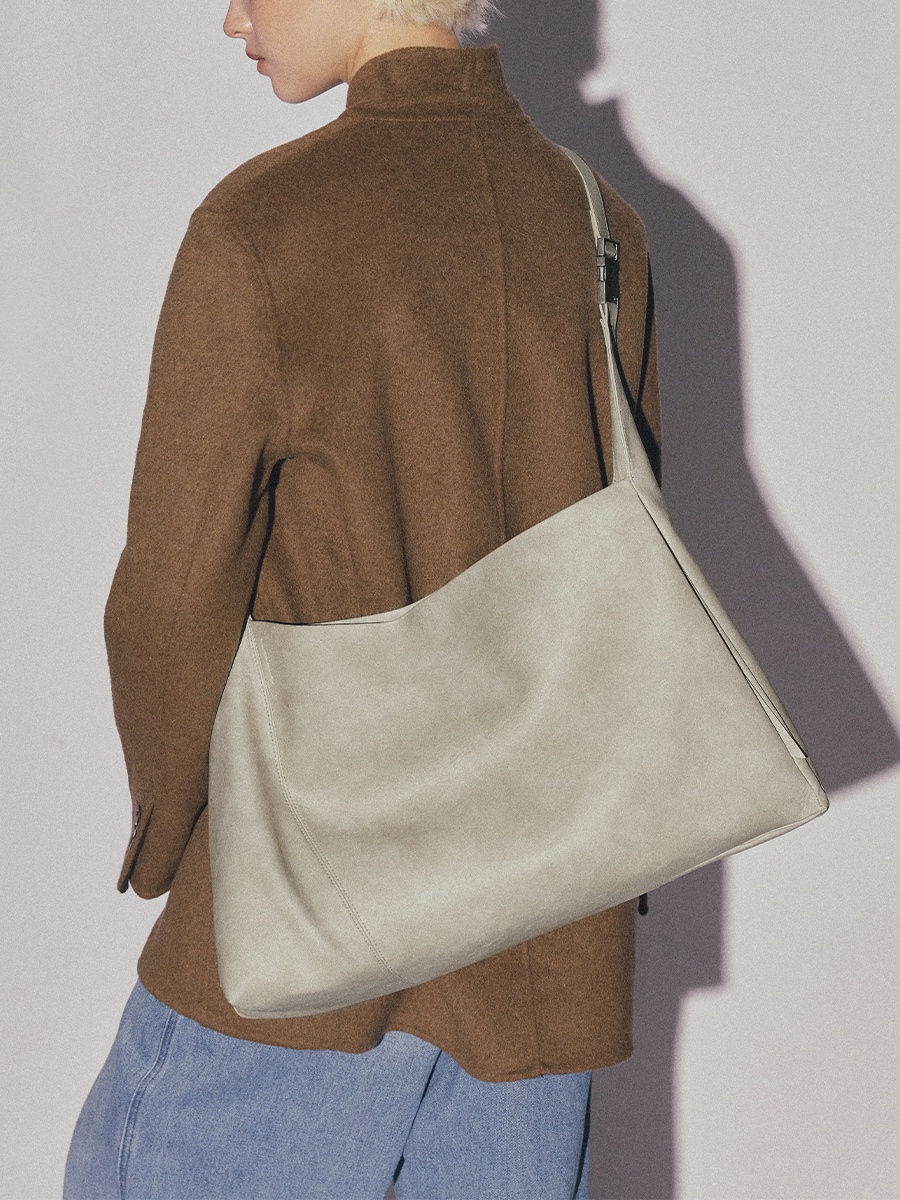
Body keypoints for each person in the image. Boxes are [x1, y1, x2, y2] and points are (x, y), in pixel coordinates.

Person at [64, 0, 662, 1195]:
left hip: (311, 925)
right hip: (546, 942)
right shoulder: (600, 222)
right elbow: (634, 559)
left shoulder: (265, 226)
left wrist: (171, 826)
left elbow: (172, 597)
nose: (231, 16)